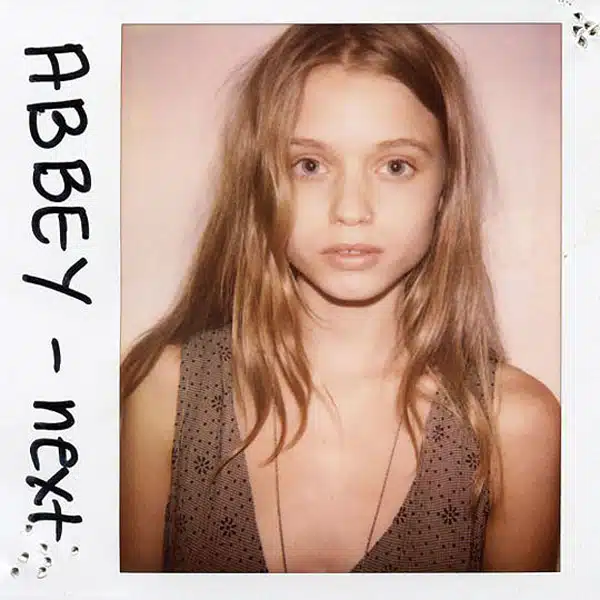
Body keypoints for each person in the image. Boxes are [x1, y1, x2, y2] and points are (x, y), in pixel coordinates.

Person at [119, 24, 560, 573]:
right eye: (310, 165)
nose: (351, 209)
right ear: (261, 182)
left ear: (446, 186)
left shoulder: (515, 428)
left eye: (396, 166)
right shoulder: (166, 393)